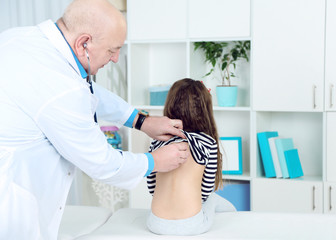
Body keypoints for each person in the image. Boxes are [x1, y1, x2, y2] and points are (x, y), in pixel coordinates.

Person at [0, 0, 189, 239]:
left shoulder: (21, 39)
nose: (116, 59)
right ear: (84, 43)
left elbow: (85, 91)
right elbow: (102, 163)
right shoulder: (61, 87)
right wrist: (154, 162)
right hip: (10, 208)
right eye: (112, 50)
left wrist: (141, 121)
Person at [146, 78, 236, 236]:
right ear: (205, 110)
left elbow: (152, 188)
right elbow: (205, 191)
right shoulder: (208, 143)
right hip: (191, 226)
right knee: (213, 199)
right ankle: (236, 216)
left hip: (156, 223)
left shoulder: (157, 141)